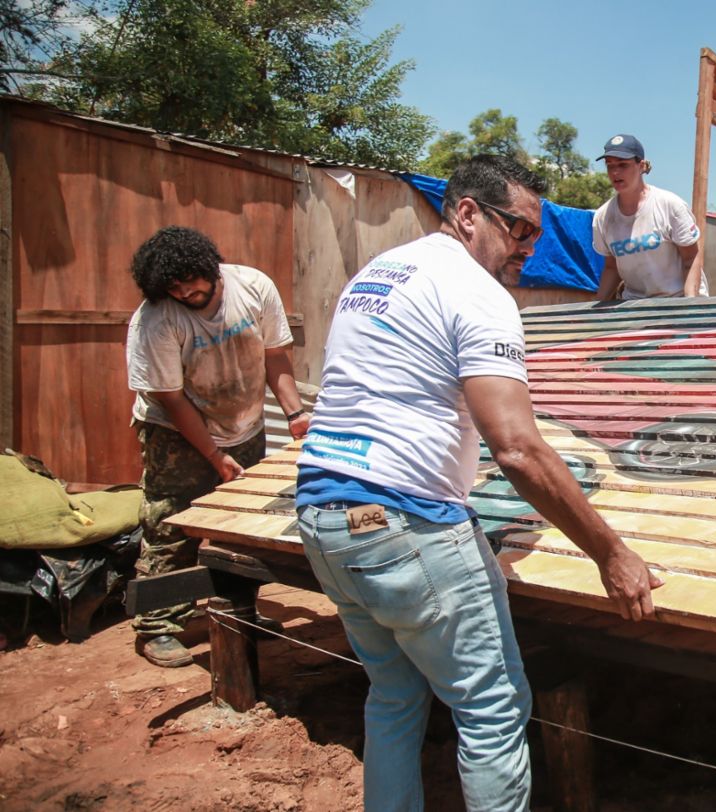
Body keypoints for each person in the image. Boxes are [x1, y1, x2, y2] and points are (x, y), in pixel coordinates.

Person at [294, 154, 664, 812]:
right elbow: (518, 448)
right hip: (404, 524)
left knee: (396, 696)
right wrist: (612, 552)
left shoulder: (376, 275)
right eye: (518, 230)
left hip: (325, 520)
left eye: (535, 235)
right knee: (493, 710)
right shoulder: (477, 291)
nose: (528, 248)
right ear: (466, 212)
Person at [125, 226, 309, 668]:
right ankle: (159, 624)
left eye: (191, 280)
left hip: (244, 423)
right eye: (173, 286)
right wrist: (213, 454)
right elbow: (170, 397)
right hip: (176, 431)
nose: (184, 290)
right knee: (171, 521)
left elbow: (275, 356)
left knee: (242, 523)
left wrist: (295, 414)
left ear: (210, 266)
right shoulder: (156, 320)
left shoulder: (253, 287)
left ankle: (241, 611)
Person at [592, 133, 706, 300]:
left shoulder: (670, 205)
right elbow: (611, 268)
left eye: (623, 165)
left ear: (641, 166)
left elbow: (691, 258)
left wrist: (689, 306)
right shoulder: (603, 217)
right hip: (636, 306)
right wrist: (595, 309)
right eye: (610, 165)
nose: (615, 172)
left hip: (678, 300)